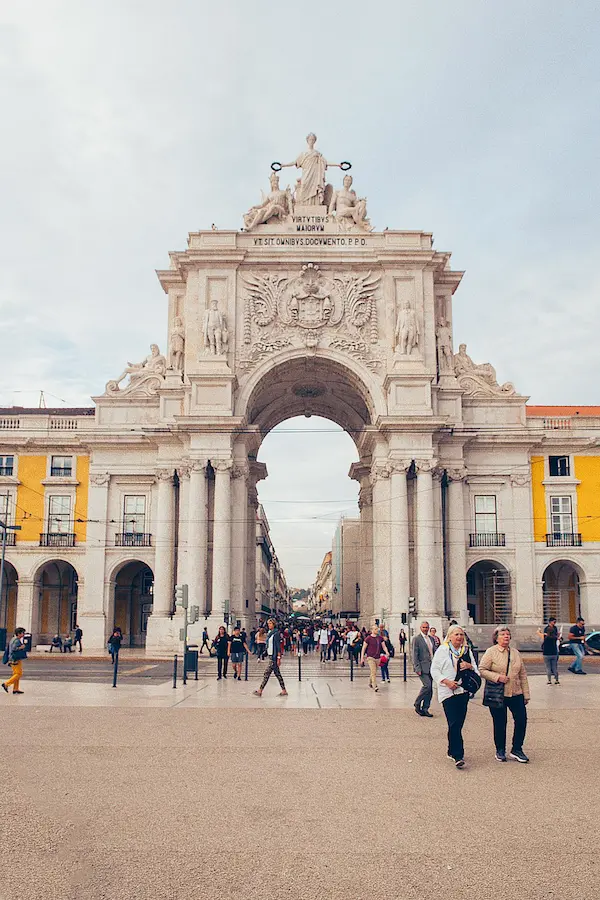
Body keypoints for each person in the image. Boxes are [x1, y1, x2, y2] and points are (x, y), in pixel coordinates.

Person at [479, 626, 530, 763]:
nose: (506, 636)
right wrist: (497, 677)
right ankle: (500, 749)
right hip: (498, 693)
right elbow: (482, 669)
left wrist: (526, 694)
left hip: (516, 692)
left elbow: (523, 674)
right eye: (502, 634)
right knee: (500, 722)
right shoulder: (491, 652)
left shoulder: (515, 653)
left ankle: (517, 749)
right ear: (496, 637)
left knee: (521, 720)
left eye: (508, 634)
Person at [430, 624, 479, 768]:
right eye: (456, 634)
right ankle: (458, 755)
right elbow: (434, 670)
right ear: (450, 636)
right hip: (447, 692)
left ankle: (451, 750)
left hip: (463, 691)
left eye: (461, 634)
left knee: (458, 723)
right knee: (454, 723)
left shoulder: (466, 651)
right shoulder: (442, 650)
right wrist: (446, 682)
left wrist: (469, 666)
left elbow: (476, 669)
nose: (459, 637)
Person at [254, 619, 287, 697]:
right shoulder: (269, 633)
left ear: (274, 624)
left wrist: (279, 658)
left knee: (267, 673)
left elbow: (278, 646)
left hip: (274, 656)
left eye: (271, 623)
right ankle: (284, 690)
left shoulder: (276, 633)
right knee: (277, 674)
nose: (269, 625)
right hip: (270, 655)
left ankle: (260, 691)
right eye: (268, 623)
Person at [412, 621, 435, 718]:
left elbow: (434, 652)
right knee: (427, 686)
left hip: (432, 667)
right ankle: (417, 703)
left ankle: (425, 708)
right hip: (422, 667)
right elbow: (414, 654)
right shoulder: (416, 639)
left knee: (430, 690)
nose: (425, 629)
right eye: (424, 627)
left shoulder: (431, 639)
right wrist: (417, 667)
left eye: (427, 627)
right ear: (420, 628)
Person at [360, 624, 387, 692]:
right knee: (373, 671)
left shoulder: (380, 638)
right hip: (370, 657)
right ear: (372, 630)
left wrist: (387, 652)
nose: (376, 630)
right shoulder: (368, 638)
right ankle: (375, 686)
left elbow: (383, 646)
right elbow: (363, 648)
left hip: (378, 657)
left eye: (377, 629)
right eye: (375, 629)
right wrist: (362, 657)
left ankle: (370, 682)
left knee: (373, 672)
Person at [2, 627, 27, 694]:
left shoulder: (13, 639)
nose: (23, 634)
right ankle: (6, 684)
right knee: (18, 673)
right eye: (22, 633)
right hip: (15, 659)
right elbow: (14, 649)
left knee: (16, 673)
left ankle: (15, 689)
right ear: (19, 633)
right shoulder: (16, 640)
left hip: (13, 659)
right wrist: (21, 647)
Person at [536, 617, 560, 684]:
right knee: (555, 667)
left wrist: (539, 630)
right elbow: (558, 638)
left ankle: (549, 680)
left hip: (546, 653)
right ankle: (557, 680)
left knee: (548, 668)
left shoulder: (545, 637)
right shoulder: (555, 638)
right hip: (554, 653)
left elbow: (538, 633)